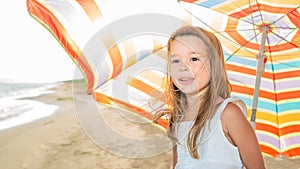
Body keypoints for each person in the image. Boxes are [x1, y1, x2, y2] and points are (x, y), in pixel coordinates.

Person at [165, 25, 265, 169]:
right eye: (175, 60)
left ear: (214, 64)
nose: (183, 67)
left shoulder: (228, 114)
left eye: (194, 59)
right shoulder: (177, 119)